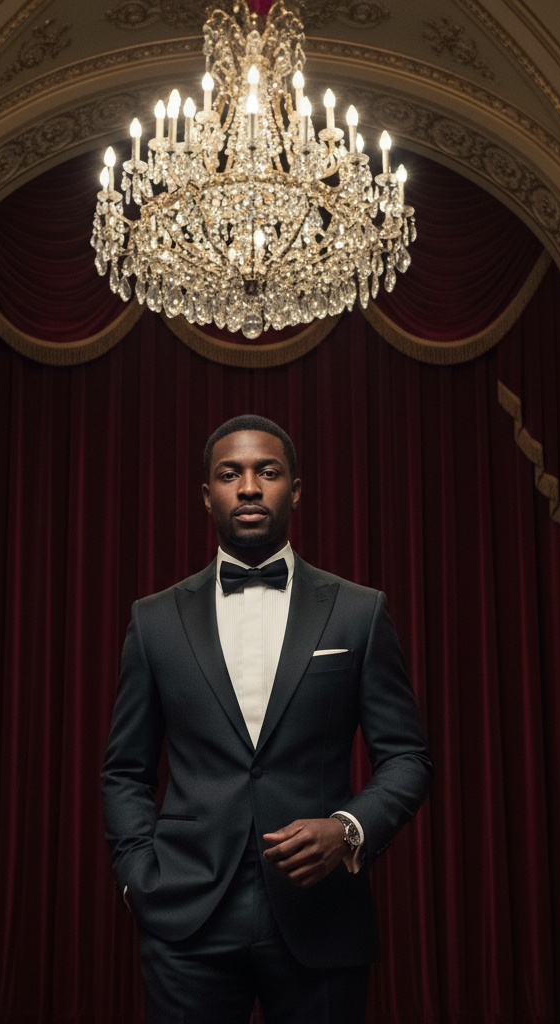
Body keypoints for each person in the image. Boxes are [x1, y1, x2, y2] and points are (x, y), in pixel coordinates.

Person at [101, 414, 432, 1024]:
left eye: (267, 472)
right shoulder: (153, 621)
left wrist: (349, 828)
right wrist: (137, 880)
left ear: (295, 489)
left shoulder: (359, 612)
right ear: (208, 496)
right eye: (231, 474)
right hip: (186, 914)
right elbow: (125, 770)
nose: (249, 487)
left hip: (322, 914)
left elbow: (407, 756)